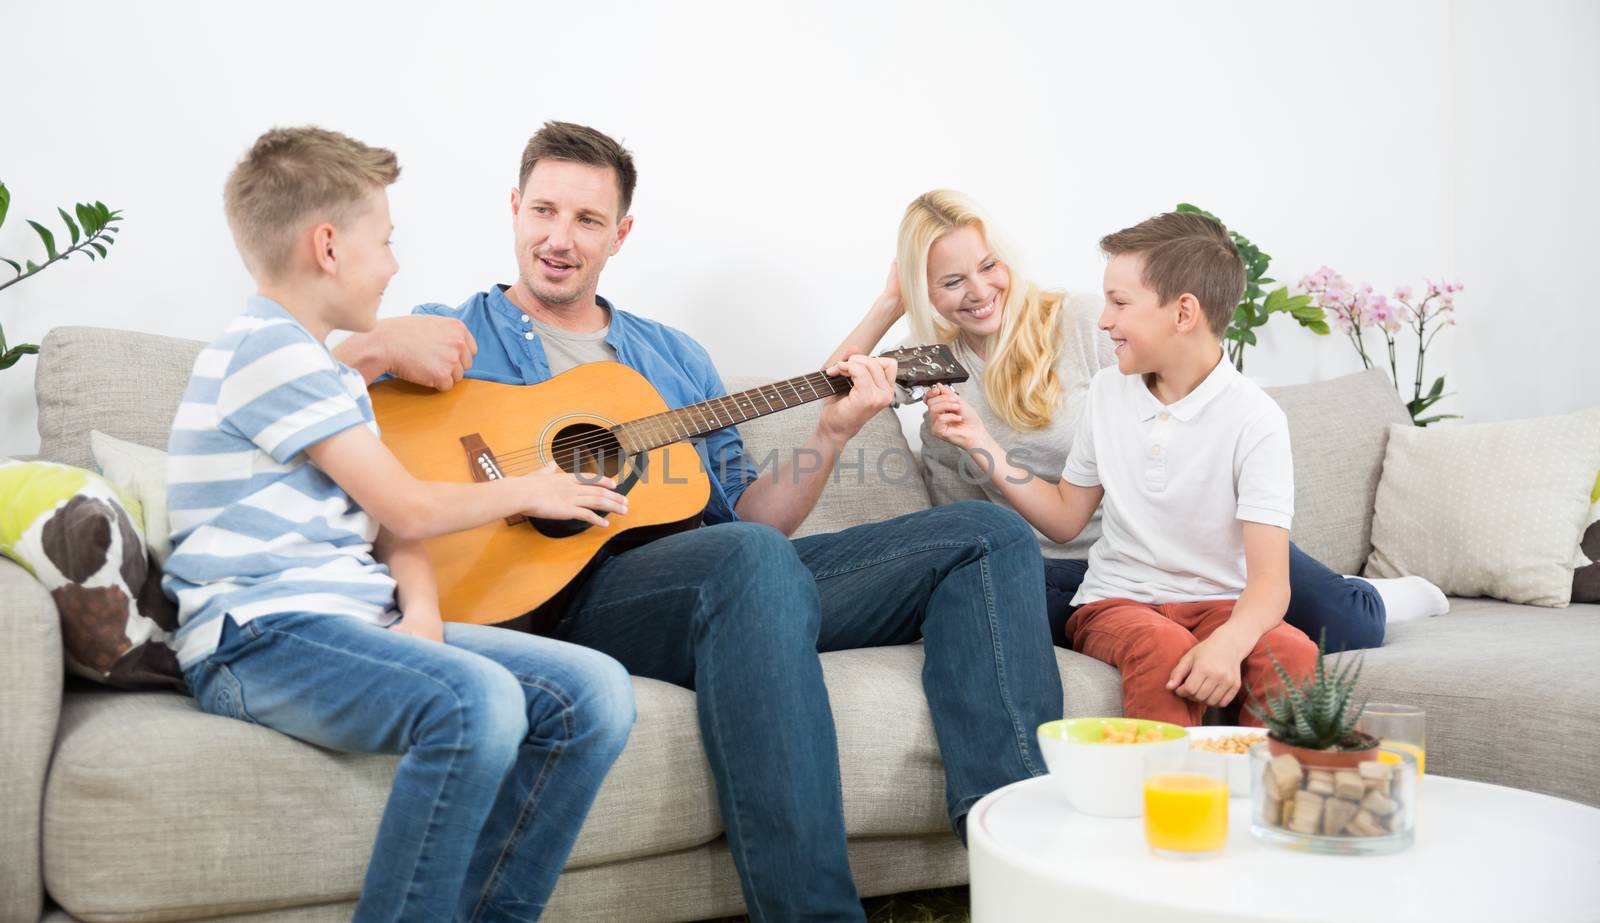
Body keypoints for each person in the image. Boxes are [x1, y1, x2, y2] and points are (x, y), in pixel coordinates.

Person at [332, 122, 1064, 922]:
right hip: (566, 600)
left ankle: (1019, 866)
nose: (559, 238)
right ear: (514, 209)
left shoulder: (674, 359)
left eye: (587, 220)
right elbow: (306, 399)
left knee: (981, 536)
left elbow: (755, 517)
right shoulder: (450, 334)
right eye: (543, 211)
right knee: (746, 559)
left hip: (726, 576)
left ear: (621, 233)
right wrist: (370, 344)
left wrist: (831, 431)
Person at [163, 126, 635, 923]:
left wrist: (420, 613)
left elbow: (390, 524)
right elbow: (411, 504)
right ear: (328, 247)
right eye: (384, 241)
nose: (394, 263)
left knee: (594, 692)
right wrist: (533, 488)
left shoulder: (329, 373)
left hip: (354, 621)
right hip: (258, 639)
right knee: (476, 703)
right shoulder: (263, 353)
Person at [832, 190, 1448, 653]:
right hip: (1071, 567)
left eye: (988, 266)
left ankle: (1381, 593)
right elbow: (828, 388)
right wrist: (892, 299)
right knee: (1000, 609)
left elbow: (1189, 405)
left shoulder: (1082, 325)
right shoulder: (931, 362)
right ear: (925, 291)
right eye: (949, 281)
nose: (979, 290)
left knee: (1345, 623)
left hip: (1179, 540)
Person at [924, 210, 1318, 725]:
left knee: (1293, 653)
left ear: (1183, 314)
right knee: (1161, 646)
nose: (1104, 319)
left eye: (1119, 303)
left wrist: (1229, 643)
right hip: (1117, 600)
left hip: (1219, 600)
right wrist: (981, 444)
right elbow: (1066, 519)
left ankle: (1269, 798)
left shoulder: (1256, 419)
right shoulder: (1109, 392)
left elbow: (1270, 584)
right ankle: (1159, 800)